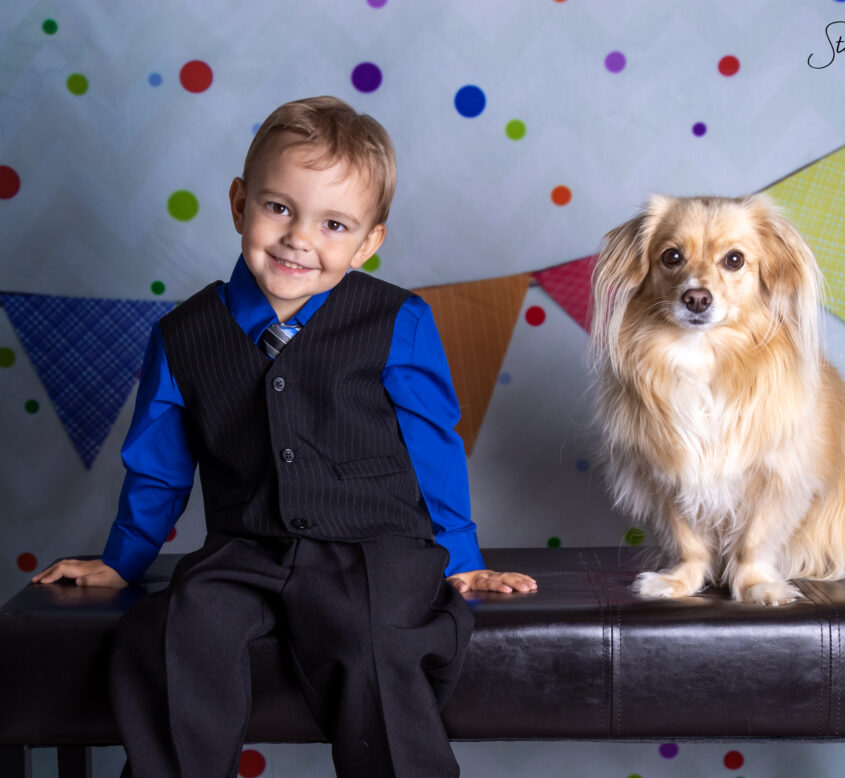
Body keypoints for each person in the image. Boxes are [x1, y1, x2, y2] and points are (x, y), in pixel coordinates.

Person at [34, 95, 537, 778]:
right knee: (177, 631)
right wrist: (123, 560)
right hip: (246, 549)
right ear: (240, 202)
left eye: (333, 223)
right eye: (279, 207)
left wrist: (460, 556)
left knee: (376, 646)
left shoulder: (397, 320)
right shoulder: (183, 335)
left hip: (372, 548)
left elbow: (433, 445)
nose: (300, 237)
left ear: (368, 243)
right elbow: (158, 467)